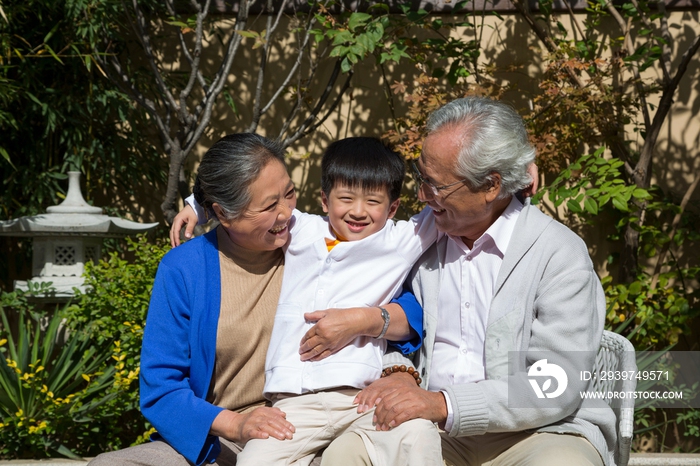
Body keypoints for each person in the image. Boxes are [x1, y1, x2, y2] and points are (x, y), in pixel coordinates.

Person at [89, 134, 419, 466]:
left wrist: (366, 321)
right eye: (268, 206)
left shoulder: (312, 244)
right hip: (220, 437)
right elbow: (161, 388)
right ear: (223, 213)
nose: (286, 212)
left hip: (304, 429)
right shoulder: (185, 269)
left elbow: (410, 310)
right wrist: (237, 424)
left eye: (289, 194)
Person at [326, 97, 617, 466]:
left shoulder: (558, 254)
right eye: (421, 178)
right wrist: (400, 372)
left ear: (491, 186)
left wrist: (444, 404)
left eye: (435, 186)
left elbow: (555, 382)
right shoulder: (417, 241)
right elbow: (386, 318)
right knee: (346, 454)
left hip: (539, 434)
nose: (422, 196)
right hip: (429, 429)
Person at [175, 137, 443, 466]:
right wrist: (197, 206)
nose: (358, 211)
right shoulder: (301, 230)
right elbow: (242, 199)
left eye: (373, 202)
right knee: (254, 463)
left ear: (392, 208)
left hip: (361, 395)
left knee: (417, 434)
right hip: (294, 405)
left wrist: (513, 183)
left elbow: (450, 201)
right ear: (325, 200)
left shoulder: (402, 240)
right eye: (346, 198)